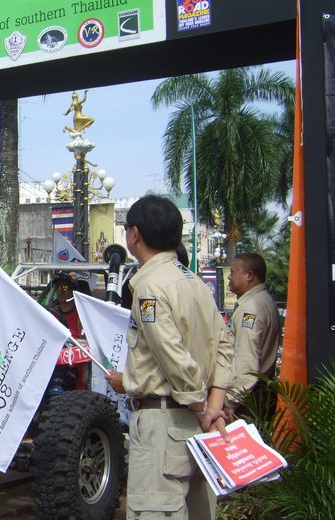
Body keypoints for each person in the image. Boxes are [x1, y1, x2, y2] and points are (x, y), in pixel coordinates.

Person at [105, 195, 234, 519]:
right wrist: (214, 406)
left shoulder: (149, 287)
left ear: (134, 234)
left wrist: (203, 408)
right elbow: (224, 345)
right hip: (197, 424)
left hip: (164, 425)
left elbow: (173, 357)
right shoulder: (195, 283)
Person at [223, 253, 281, 421]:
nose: (229, 277)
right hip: (261, 391)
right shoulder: (266, 301)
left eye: (233, 272)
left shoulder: (250, 308)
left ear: (249, 275)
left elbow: (246, 358)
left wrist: (232, 400)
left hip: (249, 397)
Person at [45, 271, 91, 389]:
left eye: (65, 288)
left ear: (73, 291)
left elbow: (88, 344)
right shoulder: (50, 313)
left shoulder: (82, 316)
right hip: (52, 360)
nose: (61, 291)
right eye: (59, 288)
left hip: (75, 363)